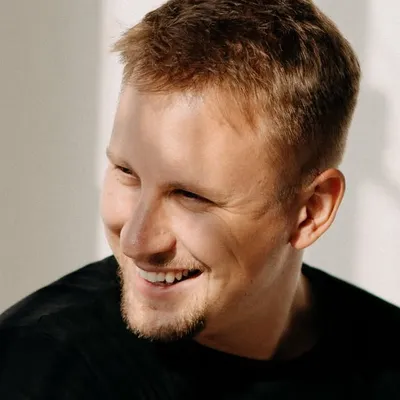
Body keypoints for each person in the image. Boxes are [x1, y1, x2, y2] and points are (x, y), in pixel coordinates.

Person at [1, 0, 400, 398]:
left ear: (311, 212)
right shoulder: (34, 371)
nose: (136, 241)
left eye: (189, 195)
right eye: (126, 173)